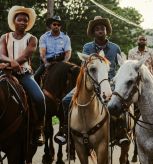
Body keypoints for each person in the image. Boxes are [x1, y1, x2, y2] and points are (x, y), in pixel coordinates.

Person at [54, 16, 129, 145]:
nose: (100, 31)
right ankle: (65, 130)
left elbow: (121, 67)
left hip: (109, 82)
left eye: (103, 28)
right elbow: (84, 66)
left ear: (106, 31)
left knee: (118, 103)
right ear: (93, 32)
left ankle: (121, 132)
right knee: (66, 100)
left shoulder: (115, 48)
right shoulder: (87, 47)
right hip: (90, 82)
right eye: (97, 29)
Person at [0, 6, 46, 146]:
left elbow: (25, 56)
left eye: (25, 21)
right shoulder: (4, 37)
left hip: (24, 74)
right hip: (4, 73)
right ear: (14, 21)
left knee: (39, 98)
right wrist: (10, 63)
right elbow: (0, 54)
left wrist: (9, 64)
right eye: (19, 19)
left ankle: (38, 129)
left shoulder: (32, 38)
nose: (23, 22)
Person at [34, 16, 71, 83]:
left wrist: (64, 63)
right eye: (54, 24)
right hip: (48, 61)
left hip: (61, 61)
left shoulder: (66, 38)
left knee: (74, 75)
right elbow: (42, 53)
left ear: (60, 26)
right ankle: (36, 93)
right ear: (50, 25)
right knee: (35, 76)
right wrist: (46, 63)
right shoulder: (44, 37)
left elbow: (68, 53)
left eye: (58, 25)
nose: (56, 26)